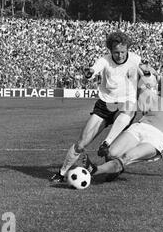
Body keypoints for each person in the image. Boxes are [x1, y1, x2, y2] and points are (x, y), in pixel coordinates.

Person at [50, 31, 142, 182]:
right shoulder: (105, 60)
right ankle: (62, 173)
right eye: (116, 52)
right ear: (110, 51)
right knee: (81, 143)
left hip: (125, 105)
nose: (120, 56)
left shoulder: (136, 59)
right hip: (105, 105)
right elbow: (94, 69)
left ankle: (107, 143)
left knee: (129, 108)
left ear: (128, 49)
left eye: (123, 52)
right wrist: (90, 72)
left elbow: (148, 71)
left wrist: (148, 74)